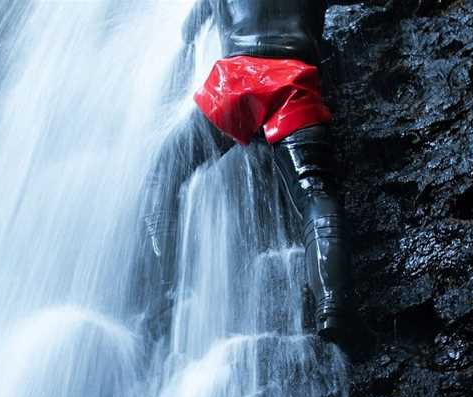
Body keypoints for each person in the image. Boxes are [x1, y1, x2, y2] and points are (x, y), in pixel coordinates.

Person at [142, 0, 351, 342]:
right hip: (293, 84)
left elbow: (188, 30)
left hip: (235, 88)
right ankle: (333, 308)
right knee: (315, 193)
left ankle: (165, 287)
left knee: (165, 172)